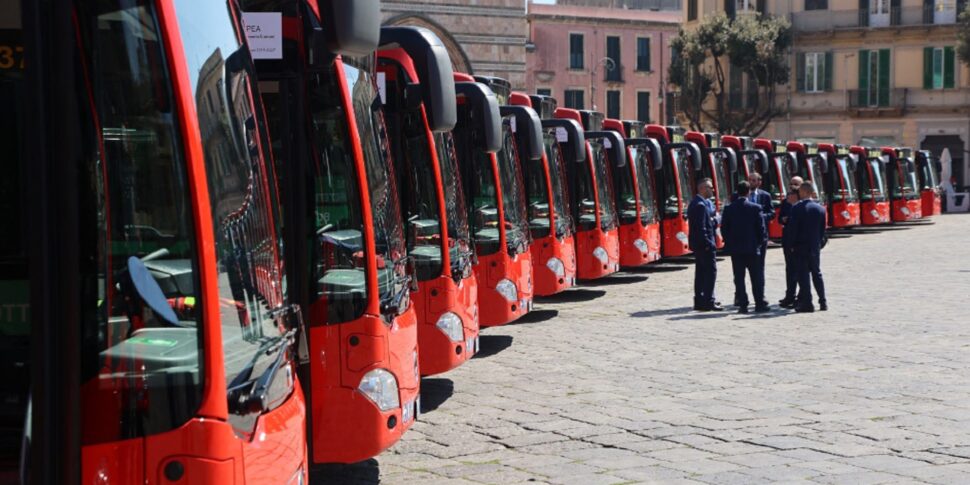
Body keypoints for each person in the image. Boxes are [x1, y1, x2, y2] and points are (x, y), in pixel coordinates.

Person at [721, 181, 768, 313]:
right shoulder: (755, 208)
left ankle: (743, 304)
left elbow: (724, 229)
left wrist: (730, 243)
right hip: (752, 248)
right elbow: (761, 229)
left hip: (736, 249)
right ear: (748, 192)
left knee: (739, 278)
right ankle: (759, 303)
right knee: (756, 277)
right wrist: (759, 243)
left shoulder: (729, 208)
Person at [785, 181, 827, 313]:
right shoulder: (820, 208)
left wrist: (790, 244)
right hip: (814, 246)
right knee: (817, 273)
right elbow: (822, 230)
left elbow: (793, 229)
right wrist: (818, 243)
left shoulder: (797, 208)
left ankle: (807, 303)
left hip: (800, 246)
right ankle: (823, 301)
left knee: (803, 275)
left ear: (803, 192)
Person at [688, 178, 721, 311]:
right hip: (704, 245)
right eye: (710, 188)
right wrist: (708, 243)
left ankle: (700, 300)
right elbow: (701, 228)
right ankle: (708, 300)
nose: (712, 190)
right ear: (702, 188)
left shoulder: (697, 202)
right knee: (709, 273)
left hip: (699, 245)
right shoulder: (700, 205)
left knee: (701, 273)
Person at [778, 176, 804, 308]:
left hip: (799, 242)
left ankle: (801, 296)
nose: (792, 186)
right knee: (790, 269)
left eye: (796, 184)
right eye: (791, 183)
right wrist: (784, 219)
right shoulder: (786, 201)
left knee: (801, 270)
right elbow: (779, 218)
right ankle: (790, 295)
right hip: (787, 240)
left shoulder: (804, 203)